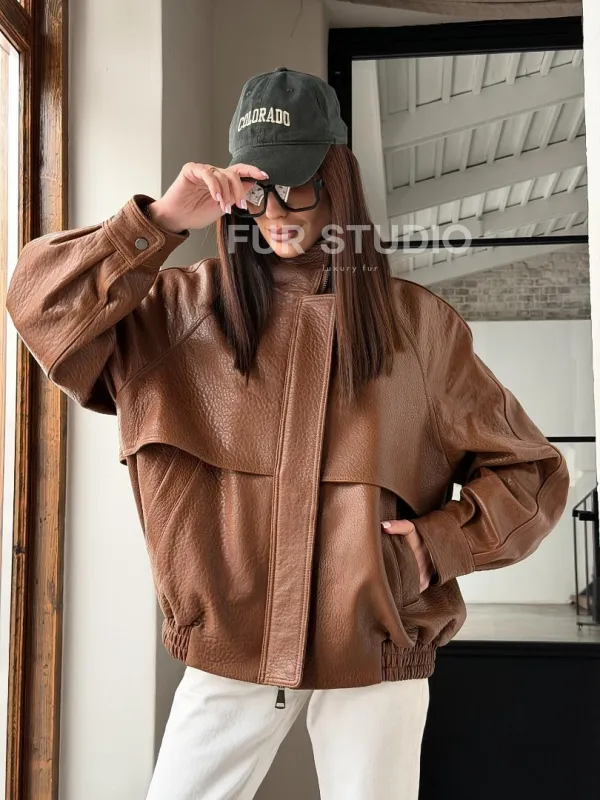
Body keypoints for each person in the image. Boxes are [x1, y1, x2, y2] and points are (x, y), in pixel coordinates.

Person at [6, 66, 570, 800]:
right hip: (228, 646)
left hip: (376, 647)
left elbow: (532, 472)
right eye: (255, 187)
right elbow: (38, 304)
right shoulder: (180, 313)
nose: (273, 210)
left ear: (337, 180)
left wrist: (437, 547)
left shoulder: (418, 330)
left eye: (296, 184)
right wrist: (160, 219)